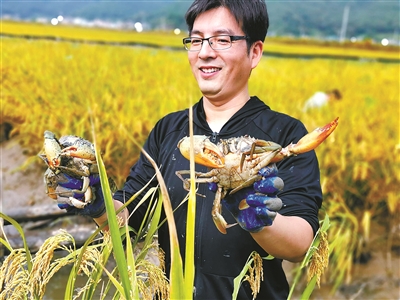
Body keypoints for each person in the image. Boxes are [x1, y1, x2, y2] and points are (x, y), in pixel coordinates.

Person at [53, 0, 322, 298]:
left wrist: (259, 218)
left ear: (254, 51)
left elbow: (301, 242)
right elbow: (129, 219)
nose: (205, 52)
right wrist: (99, 201)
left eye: (222, 39)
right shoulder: (169, 130)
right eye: (196, 40)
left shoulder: (283, 135)